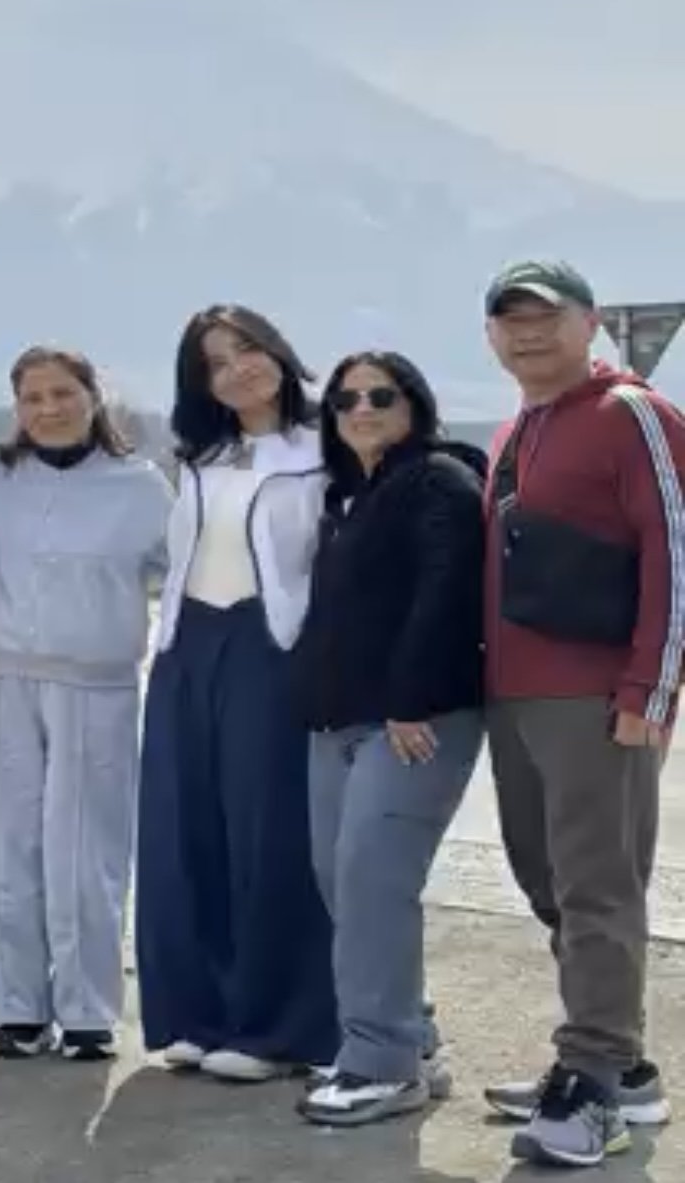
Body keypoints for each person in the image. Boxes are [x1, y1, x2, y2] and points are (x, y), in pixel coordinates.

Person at [479, 259, 685, 1168]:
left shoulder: (631, 412)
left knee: (597, 884)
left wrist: (651, 689)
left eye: (544, 317)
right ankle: (622, 1064)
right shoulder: (517, 426)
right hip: (515, 691)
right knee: (546, 877)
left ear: (589, 322)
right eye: (508, 320)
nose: (526, 334)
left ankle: (590, 1080)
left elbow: (675, 549)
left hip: (597, 696)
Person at [135, 303, 339, 1083]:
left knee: (268, 837)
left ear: (278, 351)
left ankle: (276, 1027)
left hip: (273, 647)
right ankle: (198, 1011)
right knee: (185, 833)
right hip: (188, 647)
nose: (237, 368)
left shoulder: (325, 447)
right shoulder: (196, 455)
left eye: (247, 349)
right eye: (216, 362)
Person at [0, 346, 173, 1060]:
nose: (48, 408)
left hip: (98, 684)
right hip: (0, 679)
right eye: (32, 397)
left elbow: (184, 578)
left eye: (62, 393)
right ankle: (17, 1007)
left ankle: (87, 1009)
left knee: (87, 848)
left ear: (93, 396)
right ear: (15, 406)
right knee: (6, 842)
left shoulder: (141, 485)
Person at [292, 351, 486, 1127]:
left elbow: (449, 589)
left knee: (374, 881)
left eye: (380, 394)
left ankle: (380, 1062)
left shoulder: (438, 479)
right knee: (340, 881)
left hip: (413, 719)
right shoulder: (350, 495)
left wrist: (411, 699)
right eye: (344, 399)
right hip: (338, 718)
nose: (361, 408)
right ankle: (413, 1039)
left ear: (415, 401)